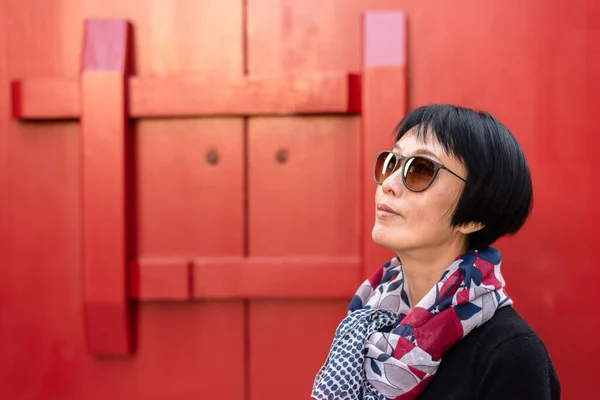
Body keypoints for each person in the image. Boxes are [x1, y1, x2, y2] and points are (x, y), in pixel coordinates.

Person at [311, 104, 560, 400]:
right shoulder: (366, 323)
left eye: (420, 169)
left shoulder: (509, 354)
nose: (388, 184)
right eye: (392, 162)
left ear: (474, 216)